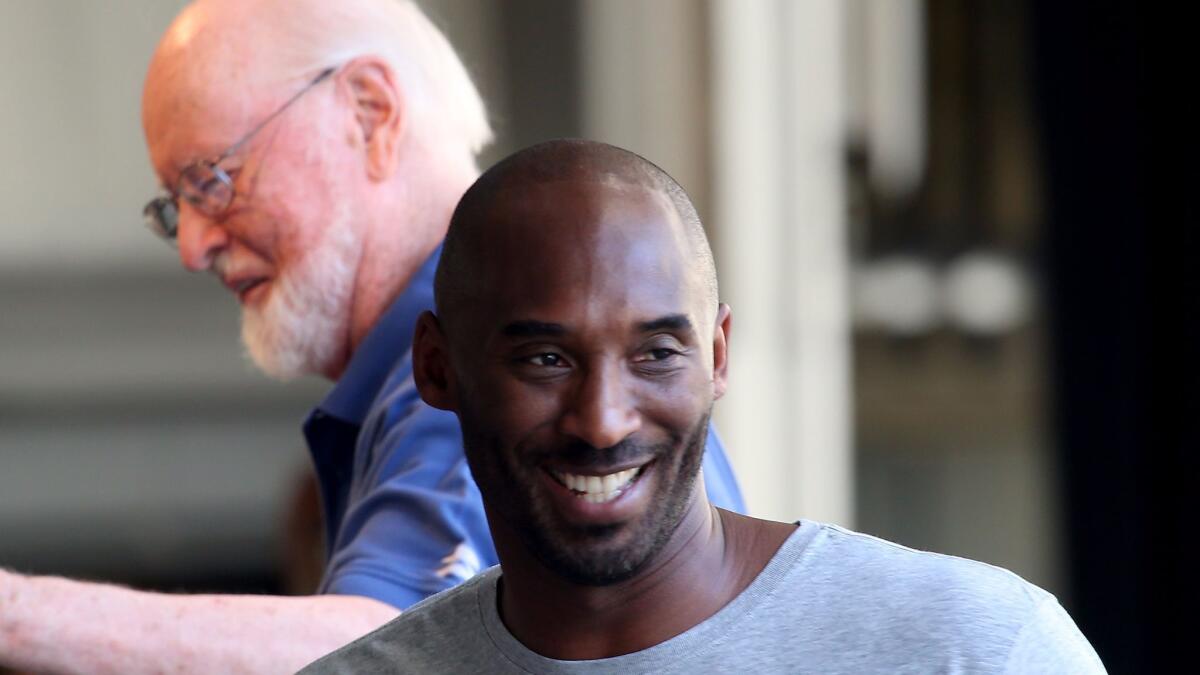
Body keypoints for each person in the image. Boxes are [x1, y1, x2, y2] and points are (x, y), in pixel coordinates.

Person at [0, 2, 747, 674]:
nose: (193, 245)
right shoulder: (441, 367)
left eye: (212, 181)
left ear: (369, 111)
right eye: (175, 208)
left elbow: (388, 654)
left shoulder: (490, 372)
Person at [303, 139, 1106, 674]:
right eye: (546, 359)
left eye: (656, 353)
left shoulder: (976, 651)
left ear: (718, 356)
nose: (605, 420)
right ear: (436, 367)